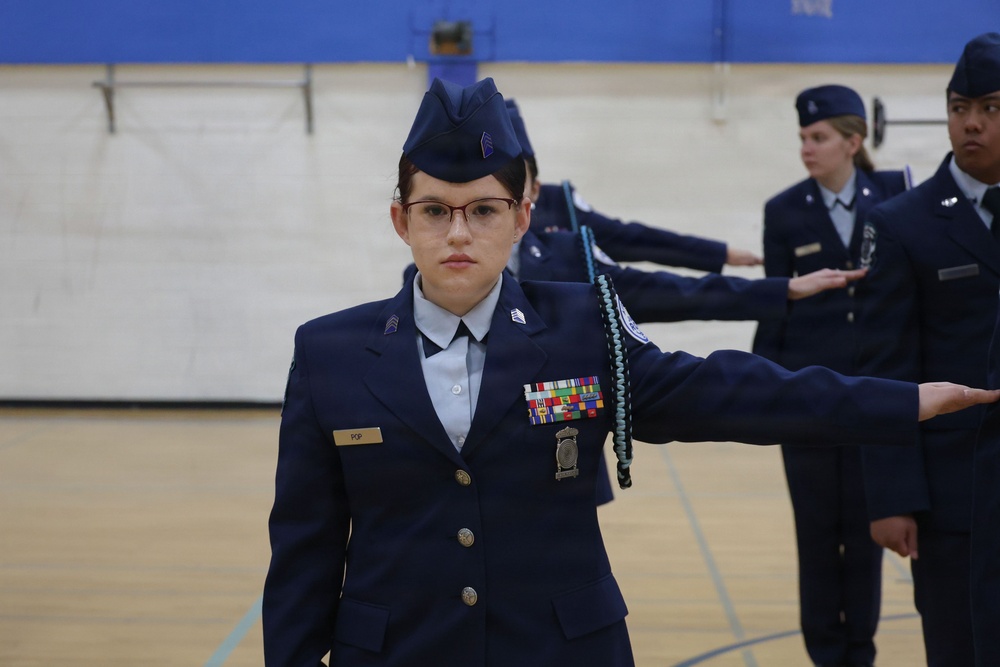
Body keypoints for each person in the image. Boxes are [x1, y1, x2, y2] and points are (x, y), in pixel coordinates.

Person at [262, 76, 996, 667]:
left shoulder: (583, 325)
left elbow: (724, 392)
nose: (458, 233)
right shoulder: (331, 353)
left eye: (483, 210)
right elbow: (304, 552)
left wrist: (900, 401)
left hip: (558, 649)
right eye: (435, 211)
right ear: (401, 220)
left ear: (523, 217)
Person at [751, 84, 910, 667]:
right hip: (808, 401)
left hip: (874, 396)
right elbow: (775, 306)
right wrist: (763, 393)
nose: (807, 148)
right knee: (816, 534)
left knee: (869, 532)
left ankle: (859, 651)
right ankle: (824, 652)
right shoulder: (784, 211)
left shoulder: (894, 198)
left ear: (853, 140)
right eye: (802, 137)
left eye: (818, 137)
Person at [855, 32, 1000, 667]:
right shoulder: (902, 224)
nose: (972, 123)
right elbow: (884, 367)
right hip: (955, 495)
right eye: (960, 107)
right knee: (960, 646)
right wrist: (891, 497)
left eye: (991, 108)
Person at [506, 98, 762, 272]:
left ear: (535, 187)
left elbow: (635, 240)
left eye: (514, 177)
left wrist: (719, 253)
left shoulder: (558, 206)